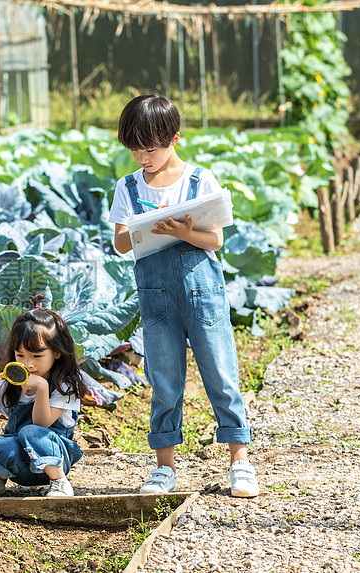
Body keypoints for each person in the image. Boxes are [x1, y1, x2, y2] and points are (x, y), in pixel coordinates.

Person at [108, 93, 259, 498]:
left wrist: (181, 232)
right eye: (134, 149)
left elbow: (215, 238)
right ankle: (164, 467)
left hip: (203, 291)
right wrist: (143, 227)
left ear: (174, 137)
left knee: (220, 373)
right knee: (165, 380)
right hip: (156, 295)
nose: (142, 157)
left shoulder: (199, 180)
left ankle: (239, 459)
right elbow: (121, 243)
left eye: (150, 148)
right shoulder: (127, 186)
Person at [0, 294, 86, 497]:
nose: (28, 364)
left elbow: (41, 425)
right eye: (20, 355)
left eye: (37, 356)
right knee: (5, 442)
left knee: (30, 432)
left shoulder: (65, 386)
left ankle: (60, 483)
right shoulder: (10, 383)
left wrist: (42, 387)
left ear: (57, 352)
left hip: (54, 461)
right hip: (21, 469)